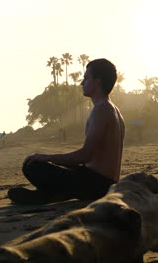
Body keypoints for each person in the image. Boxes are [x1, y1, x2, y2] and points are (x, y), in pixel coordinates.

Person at [8, 58, 125, 205]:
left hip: (97, 185)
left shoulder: (101, 110)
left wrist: (46, 158)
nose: (82, 83)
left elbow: (85, 155)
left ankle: (51, 195)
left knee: (32, 166)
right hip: (106, 182)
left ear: (97, 82)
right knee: (39, 164)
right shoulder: (113, 109)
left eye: (86, 78)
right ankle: (50, 194)